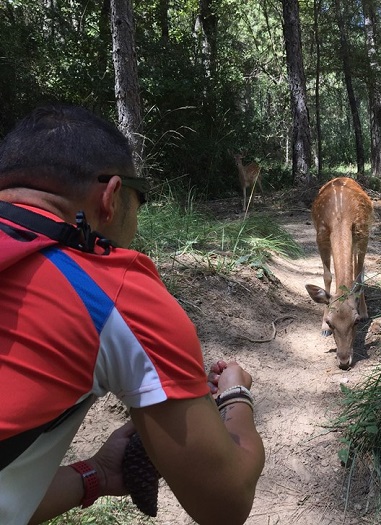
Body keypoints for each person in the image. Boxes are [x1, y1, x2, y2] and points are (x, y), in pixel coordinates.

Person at [0, 104, 265, 525]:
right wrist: (236, 395)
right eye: (140, 198)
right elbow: (226, 505)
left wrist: (97, 475)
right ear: (111, 197)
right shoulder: (115, 292)